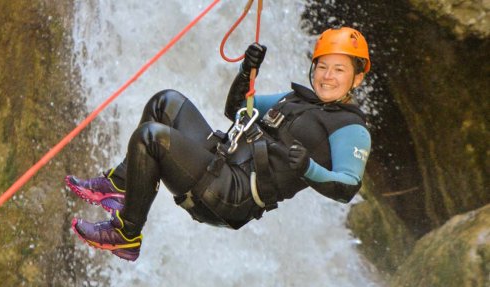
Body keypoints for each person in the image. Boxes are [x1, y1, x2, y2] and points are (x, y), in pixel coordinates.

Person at [67, 26, 372, 261]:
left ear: (357, 79)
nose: (327, 76)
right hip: (221, 161)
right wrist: (245, 71)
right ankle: (120, 186)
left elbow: (346, 187)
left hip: (234, 195)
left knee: (151, 138)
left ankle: (126, 234)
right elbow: (237, 108)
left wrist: (309, 167)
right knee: (166, 102)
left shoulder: (350, 127)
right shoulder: (294, 100)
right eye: (322, 66)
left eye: (339, 69)